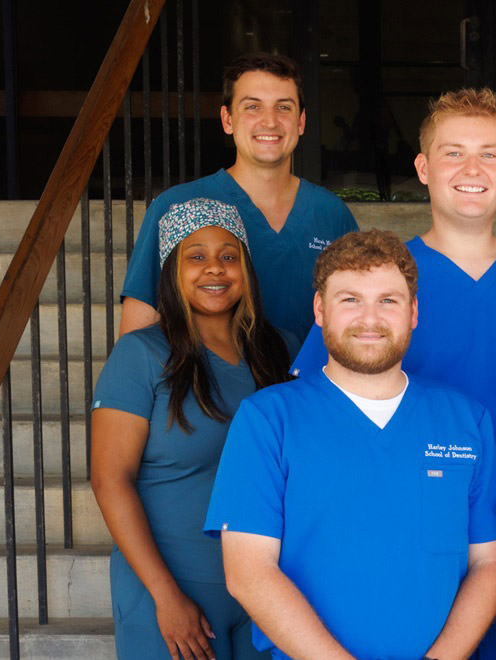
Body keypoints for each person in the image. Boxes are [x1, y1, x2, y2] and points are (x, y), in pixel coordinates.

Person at [204, 230, 496, 659]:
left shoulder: (466, 421)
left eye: (388, 300)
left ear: (413, 311)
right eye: (350, 300)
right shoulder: (268, 420)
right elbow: (249, 573)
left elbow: (488, 564)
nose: (370, 318)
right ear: (320, 310)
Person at [293, 87, 496, 485]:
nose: (472, 169)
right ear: (423, 168)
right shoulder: (378, 279)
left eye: (488, 154)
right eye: (454, 153)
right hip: (403, 508)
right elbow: (315, 401)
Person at [91, 199, 292, 660]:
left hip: (267, 587)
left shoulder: (281, 350)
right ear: (170, 272)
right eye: (195, 256)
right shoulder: (140, 354)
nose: (214, 269)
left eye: (228, 255)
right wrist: (166, 596)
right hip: (171, 588)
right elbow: (109, 479)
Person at [121, 51, 359, 348]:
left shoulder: (331, 213)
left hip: (307, 391)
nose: (269, 121)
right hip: (208, 392)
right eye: (252, 107)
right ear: (227, 119)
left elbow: (357, 315)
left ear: (301, 122)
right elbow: (135, 336)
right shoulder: (176, 207)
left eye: (283, 108)